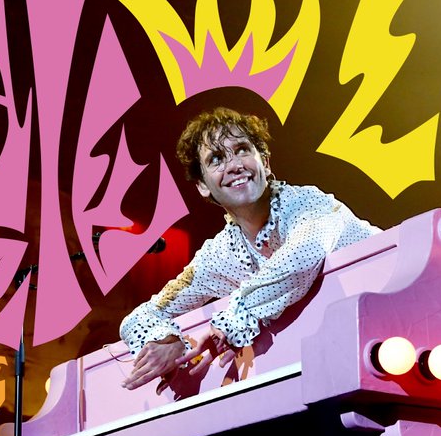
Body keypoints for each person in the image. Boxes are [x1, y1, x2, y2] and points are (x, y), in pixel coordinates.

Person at [120, 107, 380, 391]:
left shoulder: (308, 203)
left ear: (265, 163)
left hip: (392, 329)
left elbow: (302, 258)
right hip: (331, 369)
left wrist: (228, 322)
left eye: (242, 150)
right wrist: (167, 340)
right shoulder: (220, 255)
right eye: (216, 159)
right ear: (203, 186)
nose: (234, 166)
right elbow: (139, 319)